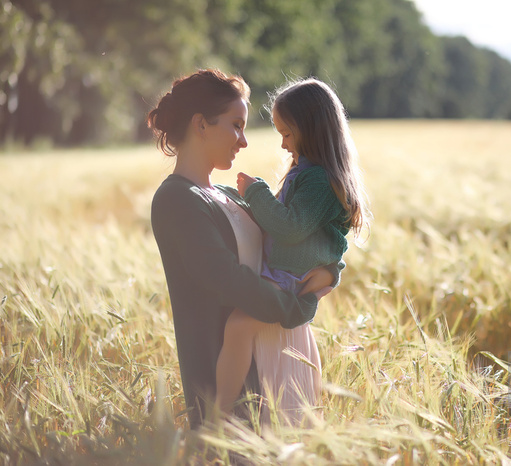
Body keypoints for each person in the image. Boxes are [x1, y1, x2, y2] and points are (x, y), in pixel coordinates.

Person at [147, 69, 333, 429]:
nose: (244, 141)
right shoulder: (176, 199)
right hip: (230, 384)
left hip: (280, 357)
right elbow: (227, 280)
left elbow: (301, 239)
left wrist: (331, 271)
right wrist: (300, 303)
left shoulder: (230, 195)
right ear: (201, 124)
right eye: (236, 125)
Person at [215, 78, 369, 425]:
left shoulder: (318, 181)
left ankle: (217, 414)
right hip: (287, 275)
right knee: (247, 330)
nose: (283, 145)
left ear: (311, 130)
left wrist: (257, 192)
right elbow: (311, 235)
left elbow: (289, 227)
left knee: (239, 327)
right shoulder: (310, 175)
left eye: (287, 134)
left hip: (289, 280)